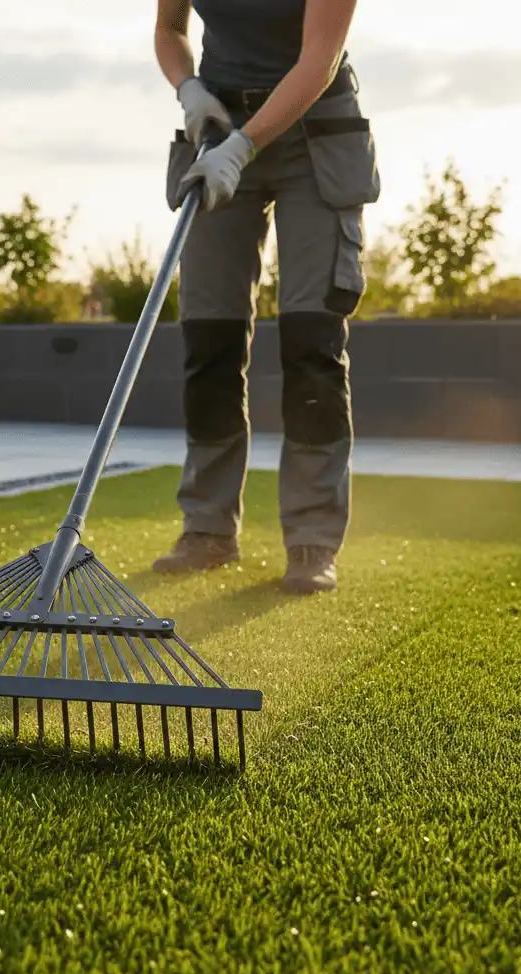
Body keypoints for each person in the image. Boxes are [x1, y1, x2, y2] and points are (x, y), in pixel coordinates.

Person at [150, 0, 381, 594]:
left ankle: (311, 538)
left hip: (315, 129)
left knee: (312, 341)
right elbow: (170, 29)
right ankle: (207, 528)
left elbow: (318, 61)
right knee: (211, 338)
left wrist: (242, 148)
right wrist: (189, 88)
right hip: (219, 122)